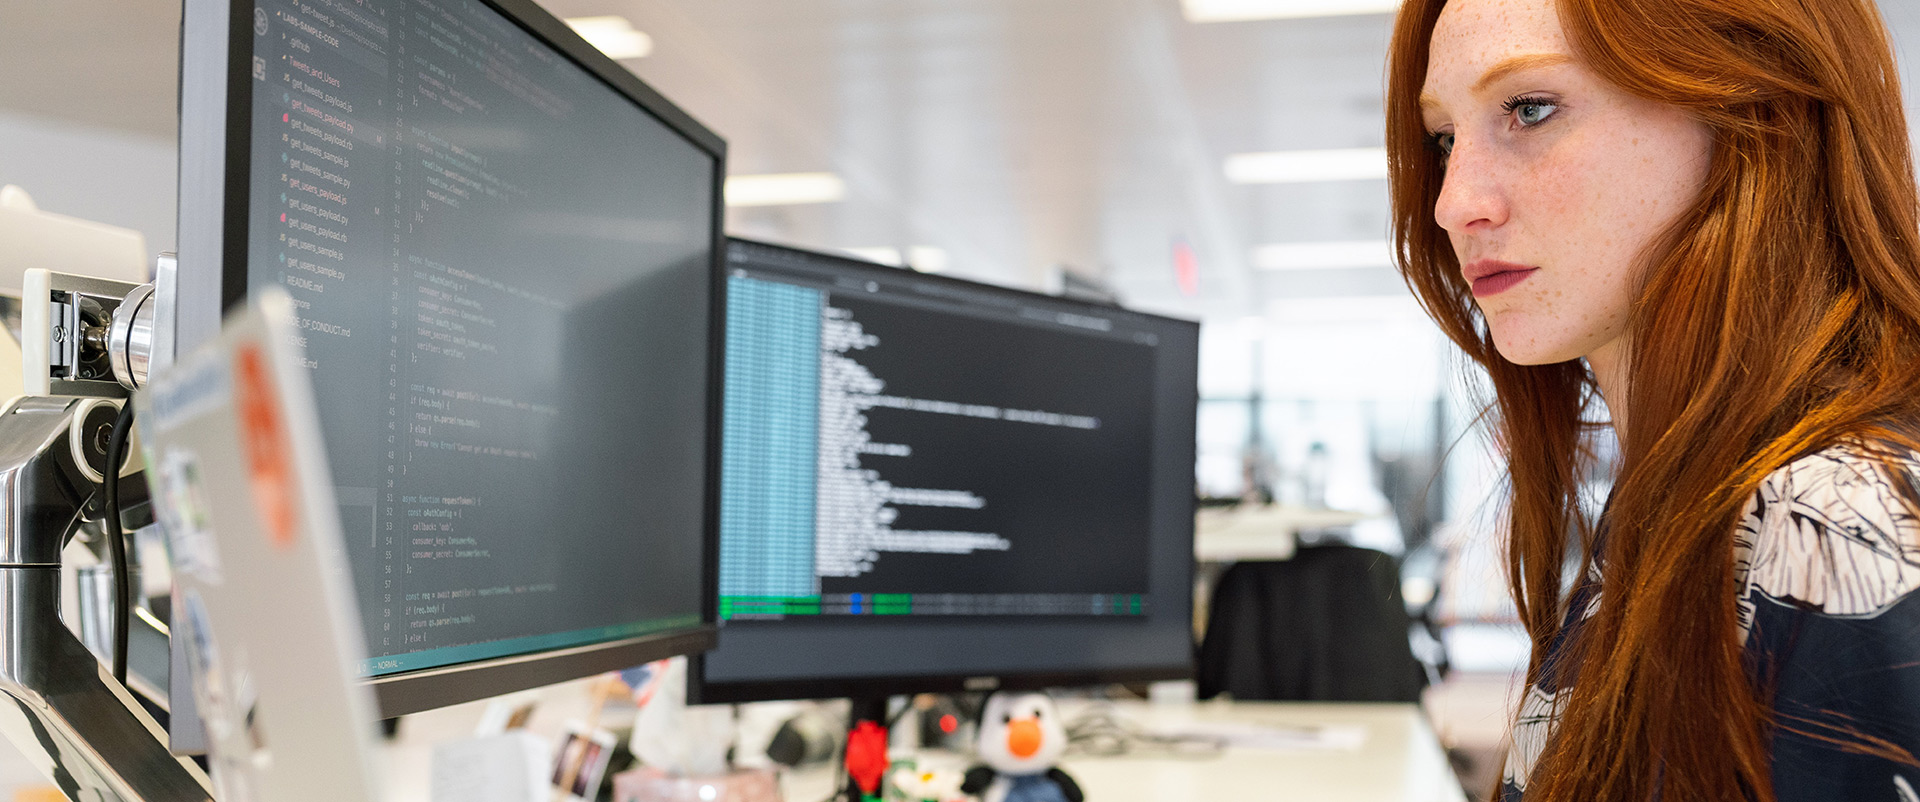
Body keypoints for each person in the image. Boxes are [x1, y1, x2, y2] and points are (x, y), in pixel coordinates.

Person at [1385, 0, 1920, 799]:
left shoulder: (1838, 522)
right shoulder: (1680, 497)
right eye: (1443, 140)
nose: (1454, 203)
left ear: (1753, 107)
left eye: (1530, 109)